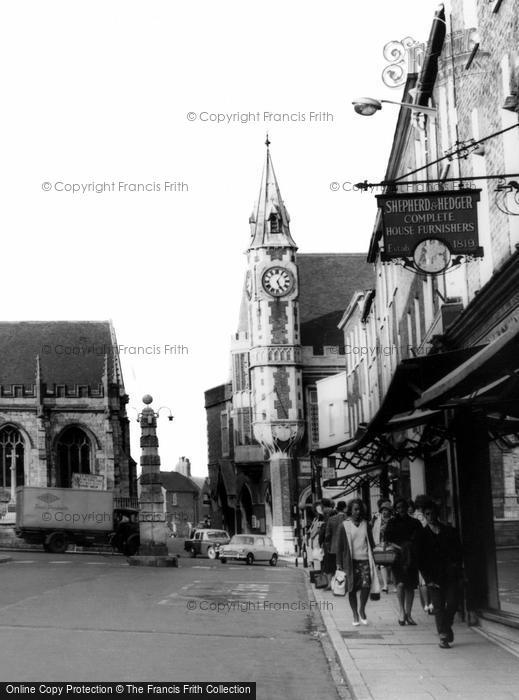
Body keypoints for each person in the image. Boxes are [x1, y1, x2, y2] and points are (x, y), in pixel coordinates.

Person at [416, 500, 463, 649]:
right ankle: (443, 636)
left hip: (450, 575)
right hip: (433, 577)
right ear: (424, 515)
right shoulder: (421, 535)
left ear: (437, 513)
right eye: (427, 514)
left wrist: (457, 567)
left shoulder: (449, 531)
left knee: (453, 602)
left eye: (432, 513)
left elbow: (458, 551)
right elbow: (420, 560)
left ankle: (447, 626)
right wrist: (428, 579)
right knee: (438, 607)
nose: (430, 516)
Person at [336, 498, 380, 626]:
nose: (358, 511)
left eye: (359, 509)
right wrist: (339, 564)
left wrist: (377, 555)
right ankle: (355, 613)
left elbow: (371, 543)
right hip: (350, 562)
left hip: (365, 560)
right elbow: (339, 547)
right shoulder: (344, 525)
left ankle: (362, 610)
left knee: (366, 586)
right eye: (355, 509)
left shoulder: (366, 524)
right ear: (350, 510)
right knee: (352, 589)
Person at [385, 497, 422, 625]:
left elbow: (419, 539)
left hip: (411, 557)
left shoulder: (415, 522)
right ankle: (401, 611)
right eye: (398, 507)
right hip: (398, 557)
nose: (401, 510)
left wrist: (410, 548)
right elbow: (387, 540)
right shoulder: (392, 522)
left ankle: (409, 614)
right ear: (396, 509)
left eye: (403, 507)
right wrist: (400, 548)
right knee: (400, 584)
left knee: (410, 586)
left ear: (407, 508)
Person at [372, 500, 392, 593]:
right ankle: (385, 585)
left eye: (386, 510)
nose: (384, 512)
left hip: (391, 544)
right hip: (380, 543)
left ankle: (394, 584)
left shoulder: (393, 520)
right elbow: (373, 530)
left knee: (391, 564)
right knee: (383, 564)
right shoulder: (377, 519)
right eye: (383, 510)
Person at [324, 500, 347, 575]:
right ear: (345, 508)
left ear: (337, 509)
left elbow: (327, 535)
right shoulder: (348, 519)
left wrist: (328, 547)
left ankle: (337, 585)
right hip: (347, 547)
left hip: (334, 548)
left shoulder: (331, 519)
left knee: (336, 570)